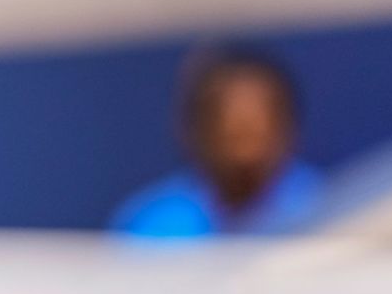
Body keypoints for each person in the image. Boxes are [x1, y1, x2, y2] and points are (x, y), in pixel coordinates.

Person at [111, 47, 323, 237]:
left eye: (258, 129)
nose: (245, 138)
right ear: (192, 131)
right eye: (232, 133)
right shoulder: (152, 228)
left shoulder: (327, 215)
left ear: (288, 128)